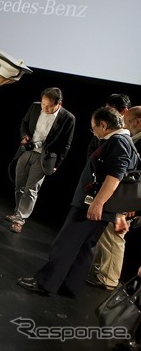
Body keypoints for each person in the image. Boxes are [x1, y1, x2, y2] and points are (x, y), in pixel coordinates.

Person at [17, 107, 139, 297]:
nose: (94, 132)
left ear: (103, 125)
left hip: (92, 205)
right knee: (84, 248)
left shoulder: (118, 141)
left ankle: (45, 283)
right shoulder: (124, 141)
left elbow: (115, 176)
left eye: (93, 127)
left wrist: (97, 203)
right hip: (99, 206)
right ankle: (69, 286)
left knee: (66, 243)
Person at [6, 87, 76, 233]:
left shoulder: (68, 118)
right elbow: (24, 123)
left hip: (44, 157)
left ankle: (19, 220)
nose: (45, 108)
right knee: (19, 184)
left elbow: (66, 144)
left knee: (31, 189)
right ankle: (17, 212)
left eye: (49, 106)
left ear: (59, 104)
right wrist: (25, 136)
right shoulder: (35, 107)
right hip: (27, 151)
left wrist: (57, 164)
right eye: (43, 104)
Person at [88, 104, 141, 290]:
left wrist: (133, 204)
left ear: (137, 122)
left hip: (125, 199)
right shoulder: (132, 138)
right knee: (108, 234)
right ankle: (101, 271)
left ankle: (108, 278)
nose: (124, 124)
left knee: (114, 236)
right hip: (121, 196)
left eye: (127, 121)